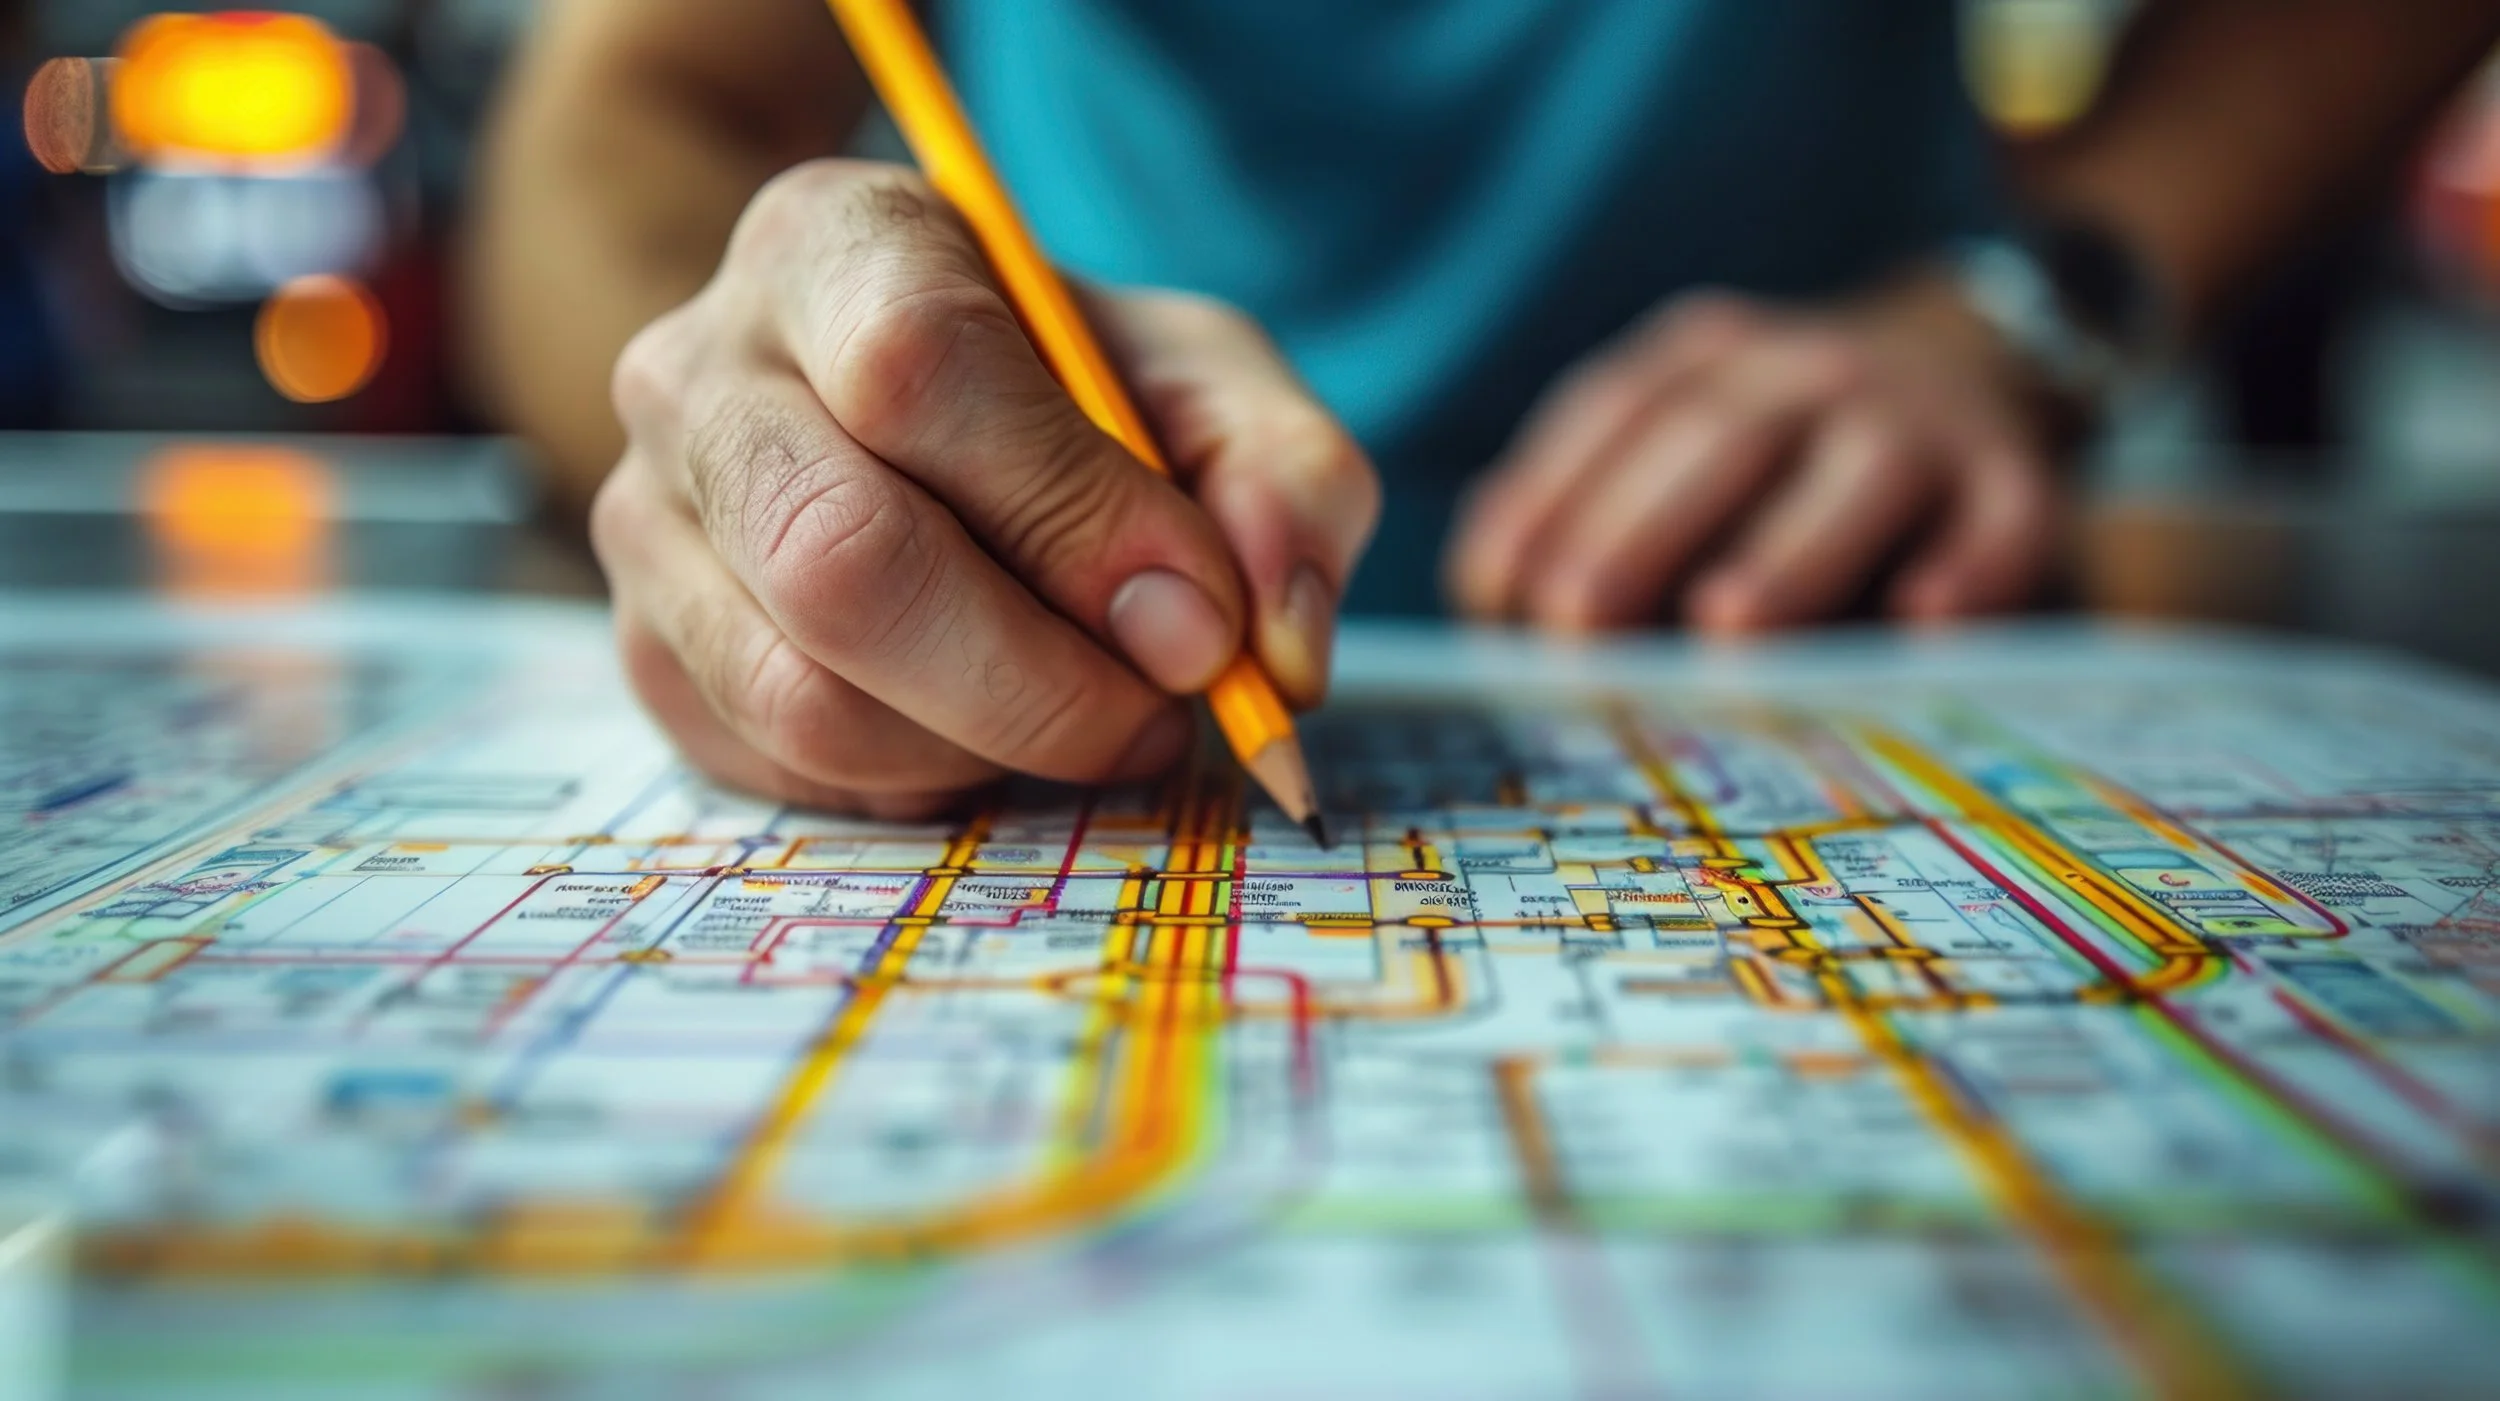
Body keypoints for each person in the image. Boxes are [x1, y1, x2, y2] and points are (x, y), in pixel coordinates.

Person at [464, 0, 2500, 815]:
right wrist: (760, 422)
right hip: (1057, 535)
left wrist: (2035, 301)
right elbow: (630, 110)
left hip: (1863, 584)